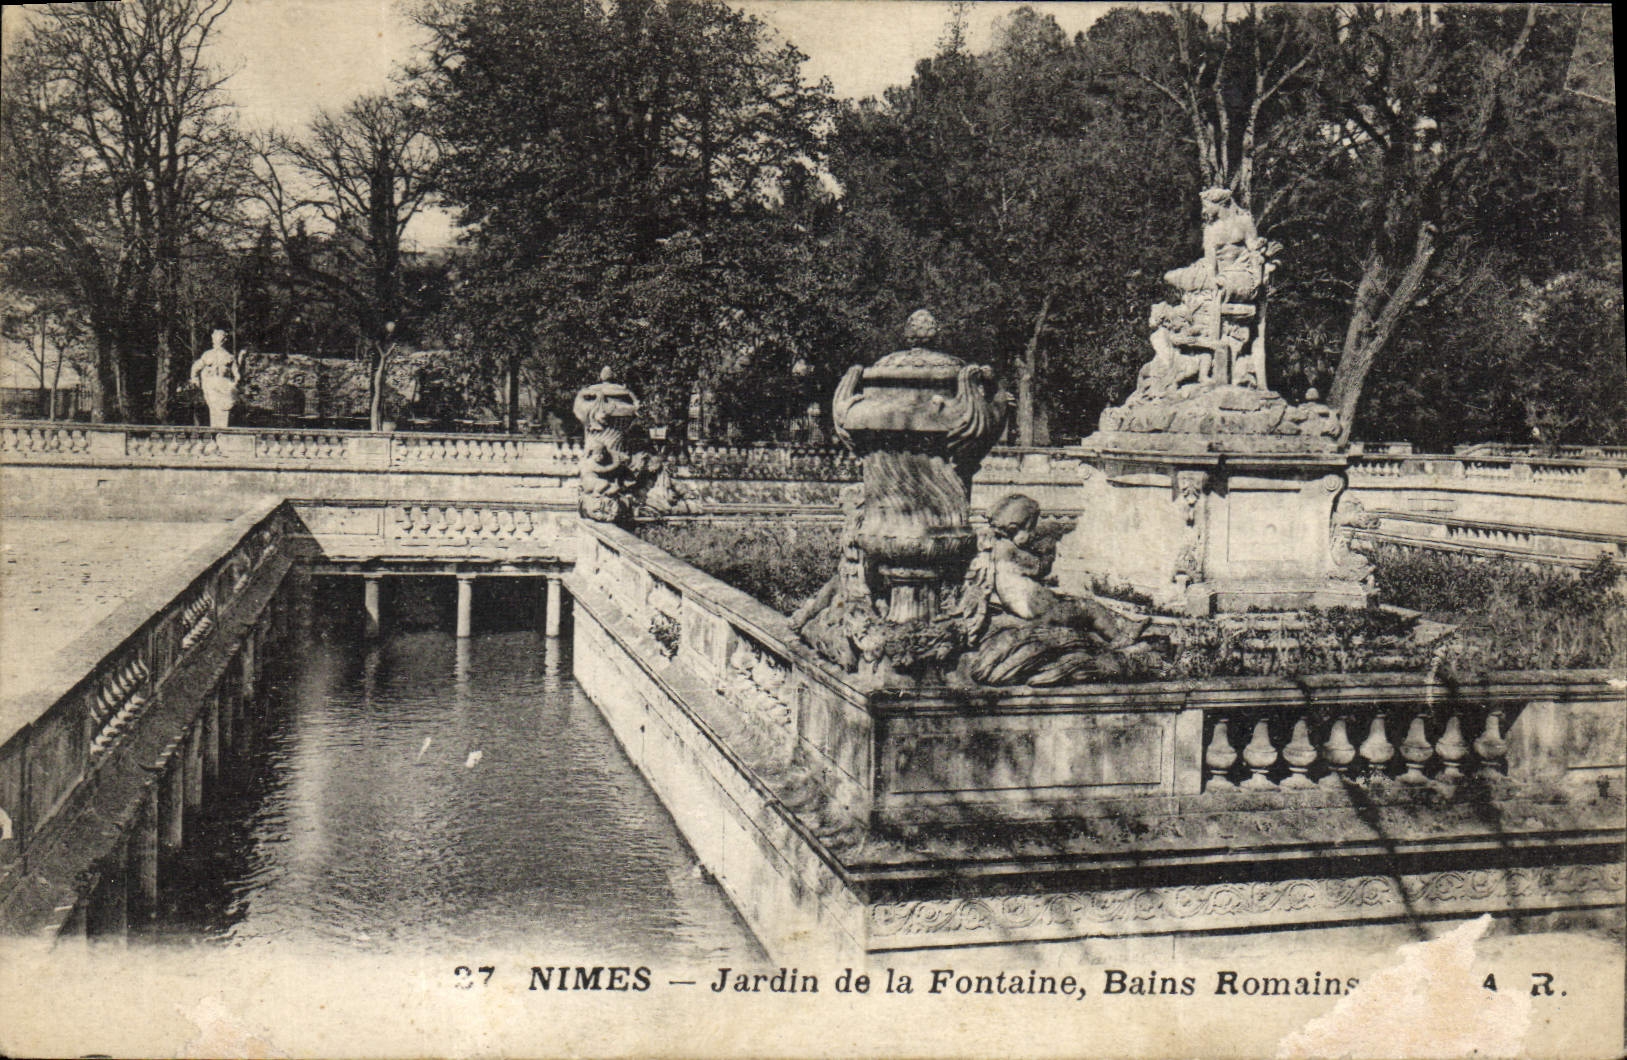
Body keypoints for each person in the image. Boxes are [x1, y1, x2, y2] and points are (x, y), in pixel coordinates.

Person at [987, 494, 1145, 649]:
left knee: (1078, 604)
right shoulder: (1009, 551)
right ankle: (1120, 636)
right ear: (1015, 527)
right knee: (1088, 607)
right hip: (1037, 607)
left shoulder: (998, 546)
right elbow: (1040, 569)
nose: (1033, 532)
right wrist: (1049, 551)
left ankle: (1125, 626)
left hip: (1030, 605)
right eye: (1030, 527)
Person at [190, 329, 240, 427]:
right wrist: (194, 379)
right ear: (213, 339)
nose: (218, 341)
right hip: (211, 384)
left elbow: (236, 372)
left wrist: (236, 381)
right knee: (214, 409)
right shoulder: (208, 355)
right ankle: (217, 433)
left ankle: (221, 433)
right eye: (216, 338)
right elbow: (196, 367)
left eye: (221, 338)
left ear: (225, 340)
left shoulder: (229, 356)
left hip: (225, 385)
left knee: (224, 409)